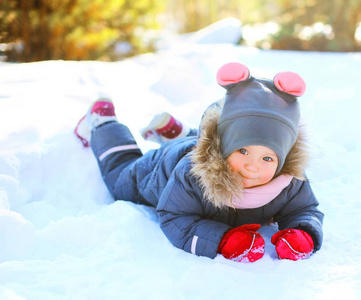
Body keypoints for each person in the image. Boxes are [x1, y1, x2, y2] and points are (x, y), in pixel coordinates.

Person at [75, 62, 324, 263]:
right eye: (243, 151)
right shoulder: (192, 175)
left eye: (268, 157)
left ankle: (180, 132)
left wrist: (303, 234)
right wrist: (222, 240)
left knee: (211, 141)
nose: (253, 166)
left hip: (199, 146)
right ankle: (102, 121)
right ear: (225, 146)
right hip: (161, 168)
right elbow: (174, 217)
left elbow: (305, 210)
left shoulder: (288, 180)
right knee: (120, 177)